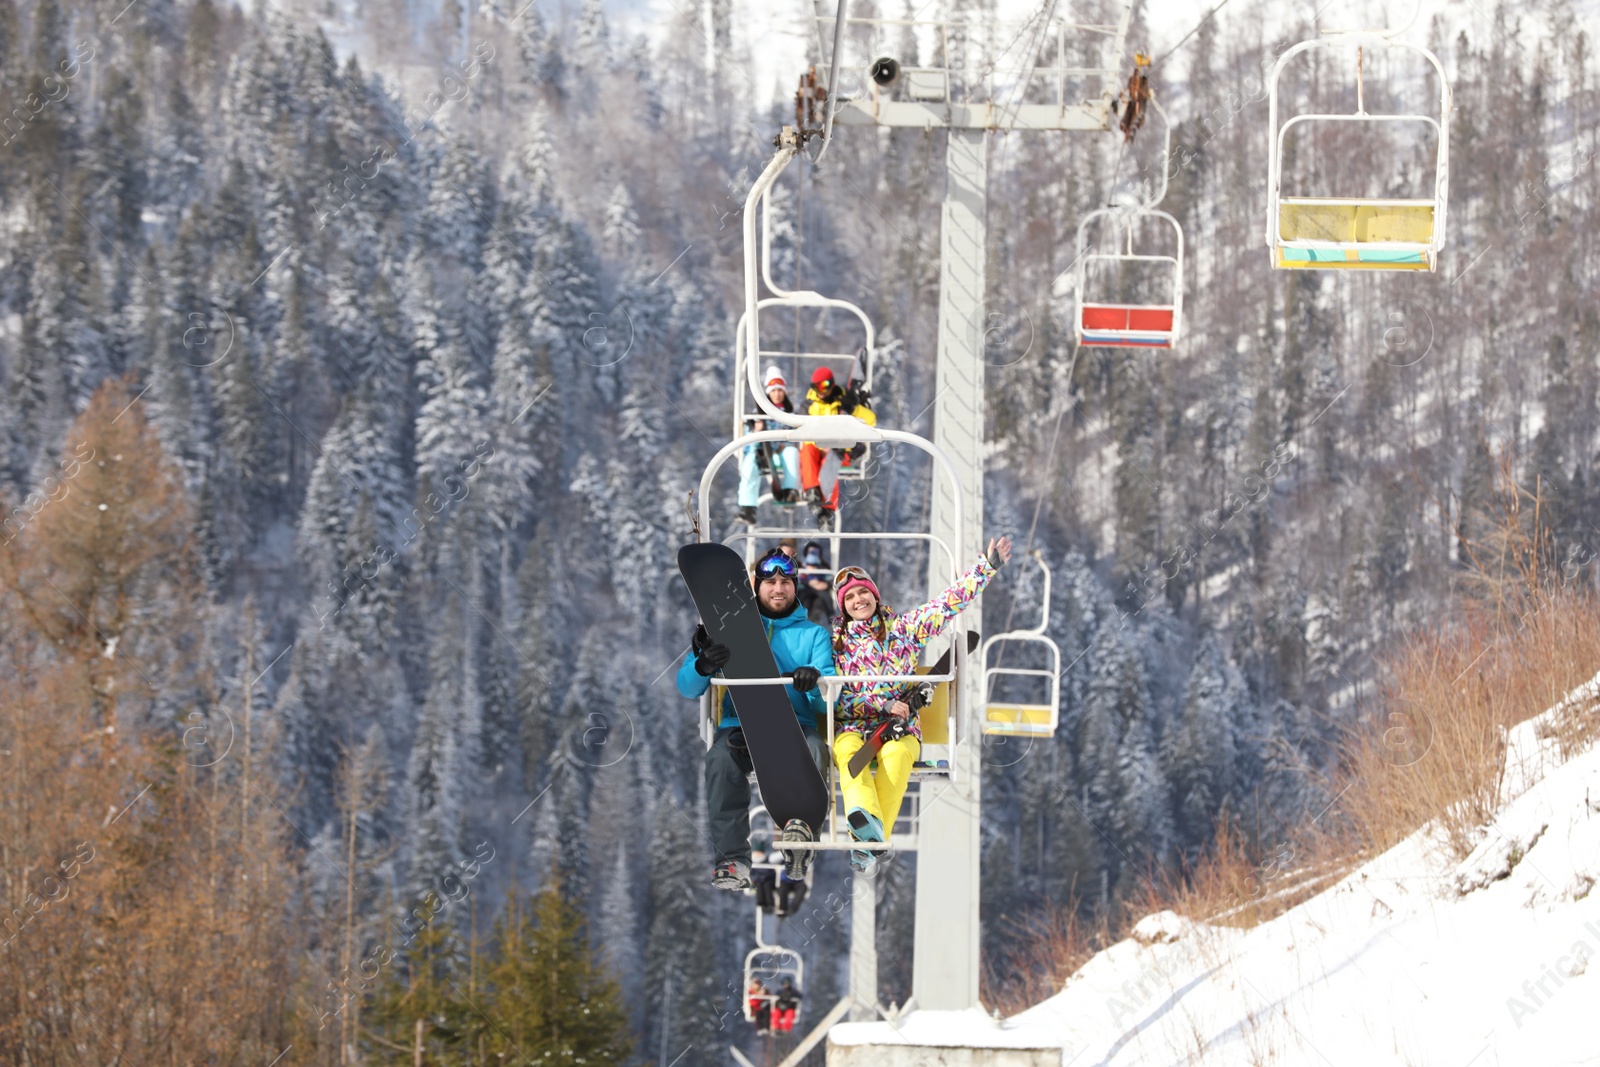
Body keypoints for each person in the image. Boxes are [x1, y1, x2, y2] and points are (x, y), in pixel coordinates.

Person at [830, 536, 1013, 871]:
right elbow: (837, 697)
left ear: (874, 594)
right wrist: (883, 704)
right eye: (850, 596)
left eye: (863, 592)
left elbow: (946, 604)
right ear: (843, 606)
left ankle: (866, 838)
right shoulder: (836, 646)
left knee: (897, 756)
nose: (859, 600)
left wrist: (986, 568)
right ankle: (872, 834)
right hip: (854, 726)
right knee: (847, 753)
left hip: (900, 730)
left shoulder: (904, 630)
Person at [677, 548, 835, 890]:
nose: (778, 589)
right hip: (741, 726)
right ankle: (732, 859)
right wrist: (702, 664)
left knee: (815, 752)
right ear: (756, 586)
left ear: (795, 587)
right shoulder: (727, 627)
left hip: (793, 726)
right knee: (720, 761)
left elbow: (826, 703)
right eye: (770, 582)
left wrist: (813, 685)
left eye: (785, 582)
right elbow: (688, 688)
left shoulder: (814, 635)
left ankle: (801, 838)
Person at [800, 363, 876, 530]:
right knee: (807, 449)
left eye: (826, 385)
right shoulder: (809, 407)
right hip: (818, 448)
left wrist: (854, 408)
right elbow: (803, 431)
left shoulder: (844, 402)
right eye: (817, 387)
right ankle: (813, 491)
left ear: (832, 383)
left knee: (831, 459)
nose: (822, 390)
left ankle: (827, 510)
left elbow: (871, 420)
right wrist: (823, 444)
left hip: (842, 451)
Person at [736, 367, 803, 525]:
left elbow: (796, 436)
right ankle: (748, 507)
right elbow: (746, 440)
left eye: (780, 390)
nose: (777, 394)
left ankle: (789, 492)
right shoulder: (757, 415)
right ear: (768, 393)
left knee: (791, 454)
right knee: (749, 465)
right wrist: (755, 431)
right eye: (774, 391)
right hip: (763, 453)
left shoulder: (790, 415)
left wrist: (784, 444)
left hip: (780, 453)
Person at [796, 540, 835, 625]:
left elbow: (830, 578)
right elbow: (799, 580)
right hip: (806, 589)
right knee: (804, 598)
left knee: (823, 597)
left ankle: (830, 615)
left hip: (820, 589)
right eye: (810, 552)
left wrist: (826, 584)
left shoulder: (823, 567)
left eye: (815, 552)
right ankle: (800, 616)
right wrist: (808, 582)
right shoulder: (802, 567)